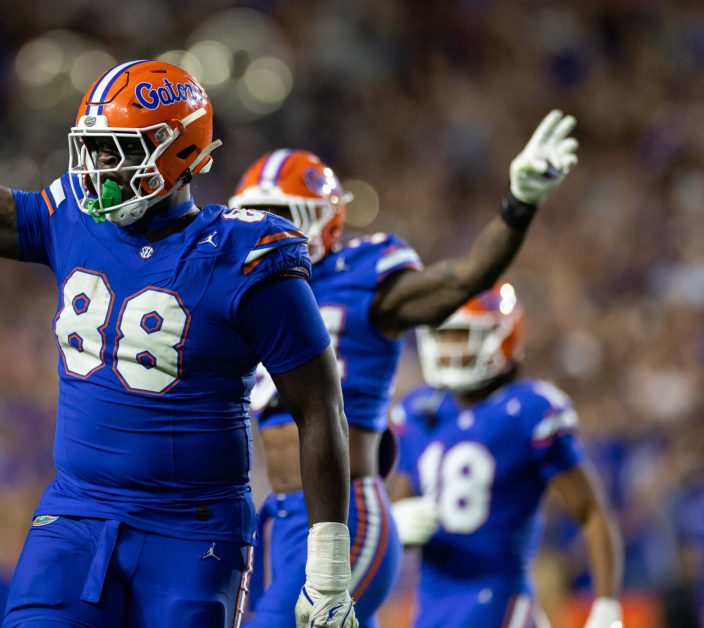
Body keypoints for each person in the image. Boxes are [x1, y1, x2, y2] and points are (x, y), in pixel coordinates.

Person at [0, 42, 356, 627]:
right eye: (92, 148)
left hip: (193, 529)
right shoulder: (71, 217)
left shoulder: (246, 257)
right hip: (77, 513)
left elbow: (319, 405)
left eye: (117, 151)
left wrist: (329, 571)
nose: (97, 168)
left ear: (179, 153)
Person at [230, 111, 579, 628]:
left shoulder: (364, 279)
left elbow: (460, 280)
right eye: (253, 215)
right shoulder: (244, 295)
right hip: (277, 518)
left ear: (321, 221)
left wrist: (518, 204)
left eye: (278, 213)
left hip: (344, 512)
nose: (264, 229)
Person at [388, 283, 624, 628]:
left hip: (497, 597)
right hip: (431, 604)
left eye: (460, 335)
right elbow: (396, 507)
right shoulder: (420, 411)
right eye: (443, 336)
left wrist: (606, 606)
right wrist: (394, 526)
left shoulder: (528, 410)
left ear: (501, 337)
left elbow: (590, 512)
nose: (447, 347)